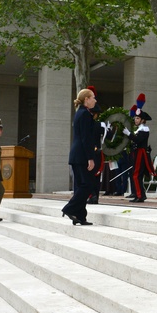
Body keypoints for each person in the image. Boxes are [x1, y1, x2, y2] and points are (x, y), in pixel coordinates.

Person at [62, 89, 99, 225]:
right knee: (87, 185)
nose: (95, 100)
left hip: (77, 155)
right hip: (82, 155)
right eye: (93, 98)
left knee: (80, 186)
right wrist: (90, 158)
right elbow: (86, 139)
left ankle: (80, 216)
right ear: (86, 99)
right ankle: (69, 208)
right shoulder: (85, 114)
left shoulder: (80, 113)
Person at [129, 109, 154, 203]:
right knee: (136, 175)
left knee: (136, 174)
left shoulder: (144, 129)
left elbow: (138, 140)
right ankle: (139, 194)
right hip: (137, 153)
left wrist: (129, 134)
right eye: (135, 118)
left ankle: (139, 195)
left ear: (143, 120)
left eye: (138, 118)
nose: (135, 120)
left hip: (140, 153)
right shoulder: (139, 129)